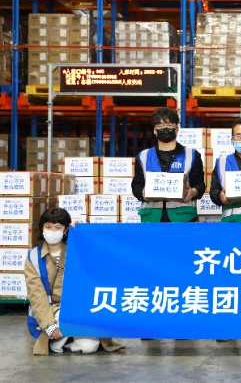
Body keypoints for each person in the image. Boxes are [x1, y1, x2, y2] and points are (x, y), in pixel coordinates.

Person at [25, 207, 124, 355]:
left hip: (77, 307)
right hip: (51, 309)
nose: (52, 231)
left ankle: (68, 339)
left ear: (65, 230)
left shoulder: (76, 250)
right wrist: (49, 325)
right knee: (56, 329)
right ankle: (58, 336)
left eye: (58, 227)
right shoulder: (33, 257)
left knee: (88, 347)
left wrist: (80, 233)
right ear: (42, 228)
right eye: (48, 227)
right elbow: (36, 295)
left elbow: (99, 254)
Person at [131, 107, 206, 223]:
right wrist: (142, 193)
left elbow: (200, 185)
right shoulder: (143, 156)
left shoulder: (192, 155)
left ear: (177, 129)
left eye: (170, 125)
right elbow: (136, 185)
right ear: (155, 130)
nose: (165, 129)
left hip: (183, 218)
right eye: (160, 126)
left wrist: (193, 192)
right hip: (152, 218)